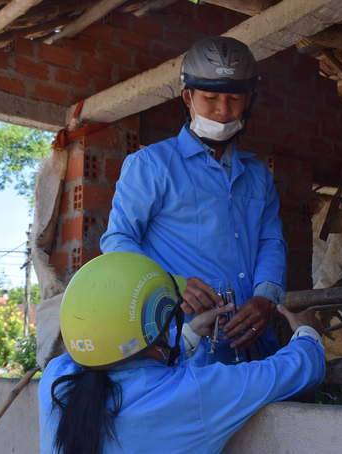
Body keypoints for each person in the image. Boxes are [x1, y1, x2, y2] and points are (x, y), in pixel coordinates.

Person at [100, 36, 286, 365]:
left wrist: (265, 298)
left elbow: (271, 241)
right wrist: (169, 284)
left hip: (257, 349)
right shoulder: (151, 166)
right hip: (183, 349)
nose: (223, 110)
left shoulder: (258, 175)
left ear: (249, 100)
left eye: (234, 98)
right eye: (210, 97)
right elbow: (117, 241)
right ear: (188, 97)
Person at [39, 252, 325, 454]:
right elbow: (291, 372)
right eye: (169, 324)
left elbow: (132, 361)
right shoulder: (194, 396)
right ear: (156, 331)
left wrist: (188, 333)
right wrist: (308, 334)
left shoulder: (54, 379)